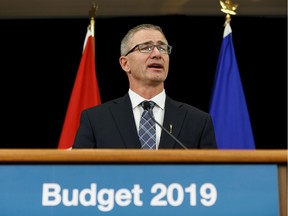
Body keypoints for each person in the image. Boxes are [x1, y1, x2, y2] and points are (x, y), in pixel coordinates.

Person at [72, 23, 217, 149]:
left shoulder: (198, 121)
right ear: (125, 63)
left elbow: (212, 176)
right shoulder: (96, 120)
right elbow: (79, 174)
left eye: (162, 48)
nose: (157, 54)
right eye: (146, 48)